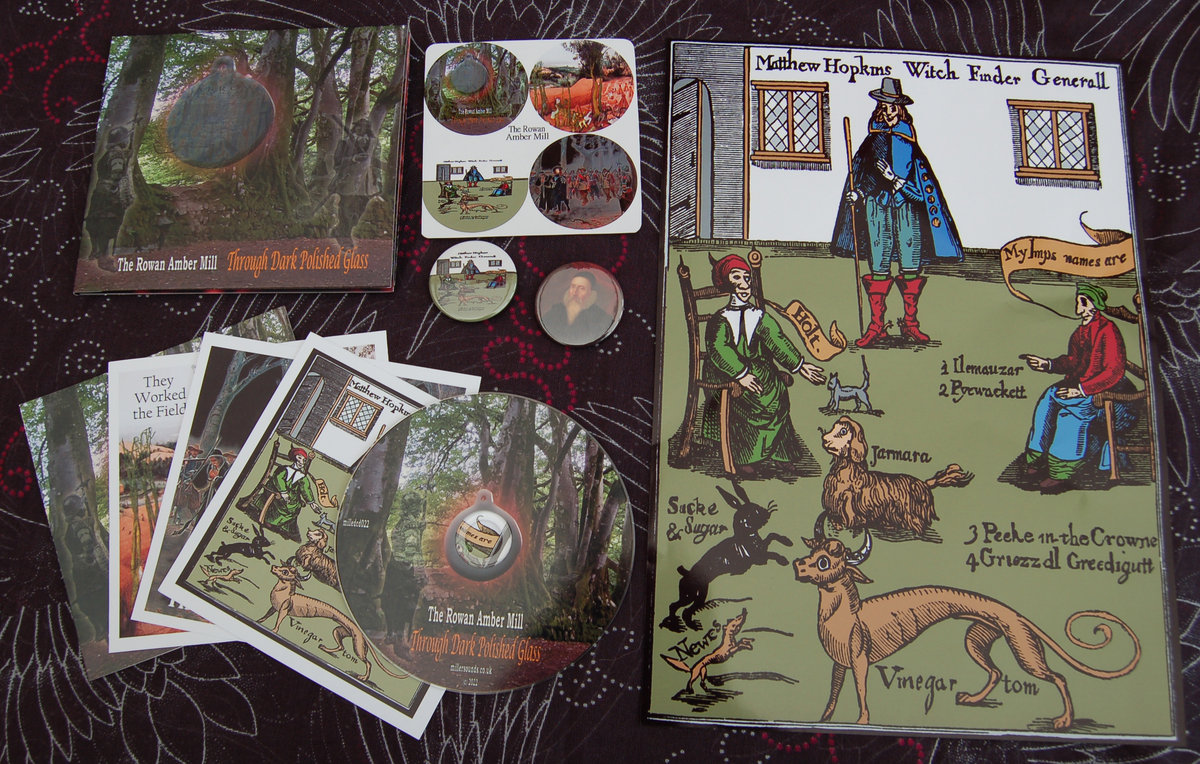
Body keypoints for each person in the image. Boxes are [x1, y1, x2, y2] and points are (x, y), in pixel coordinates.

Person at [831, 77, 963, 347]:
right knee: (879, 265)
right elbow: (866, 176)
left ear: (900, 110)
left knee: (910, 266)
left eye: (893, 107)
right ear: (879, 109)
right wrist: (859, 194)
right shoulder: (872, 142)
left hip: (907, 211)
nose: (889, 112)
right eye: (884, 107)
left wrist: (896, 180)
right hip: (877, 210)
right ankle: (876, 326)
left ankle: (910, 324)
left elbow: (921, 191)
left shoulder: (909, 143)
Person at [700, 254, 825, 476]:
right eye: (736, 277)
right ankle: (745, 456)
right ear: (726, 282)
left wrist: (800, 365)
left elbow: (778, 340)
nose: (744, 283)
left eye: (747, 277)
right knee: (754, 399)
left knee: (777, 391)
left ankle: (781, 453)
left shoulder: (758, 315)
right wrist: (741, 374)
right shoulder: (719, 319)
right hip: (725, 371)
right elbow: (719, 350)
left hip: (757, 367)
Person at [1020, 284, 1128, 493]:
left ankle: (1061, 471)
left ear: (1093, 305)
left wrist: (1082, 390)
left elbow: (1113, 371)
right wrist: (1048, 364)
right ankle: (1037, 457)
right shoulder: (1081, 332)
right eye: (1078, 300)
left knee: (1070, 412)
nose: (1078, 305)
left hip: (1109, 393)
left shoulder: (1107, 330)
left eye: (1082, 301)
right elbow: (1073, 361)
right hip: (1083, 385)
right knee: (1048, 399)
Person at [259, 447, 320, 540]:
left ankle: (281, 525)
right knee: (282, 503)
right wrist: (283, 492)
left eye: (304, 460)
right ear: (295, 458)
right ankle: (269, 520)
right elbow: (278, 479)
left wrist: (312, 503)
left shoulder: (302, 477)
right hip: (276, 490)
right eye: (300, 458)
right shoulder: (284, 469)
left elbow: (306, 489)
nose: (301, 462)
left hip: (289, 494)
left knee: (296, 506)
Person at [541, 269, 615, 345]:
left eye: (581, 288)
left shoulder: (600, 316)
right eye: (573, 286)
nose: (575, 292)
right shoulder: (556, 310)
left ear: (591, 293)